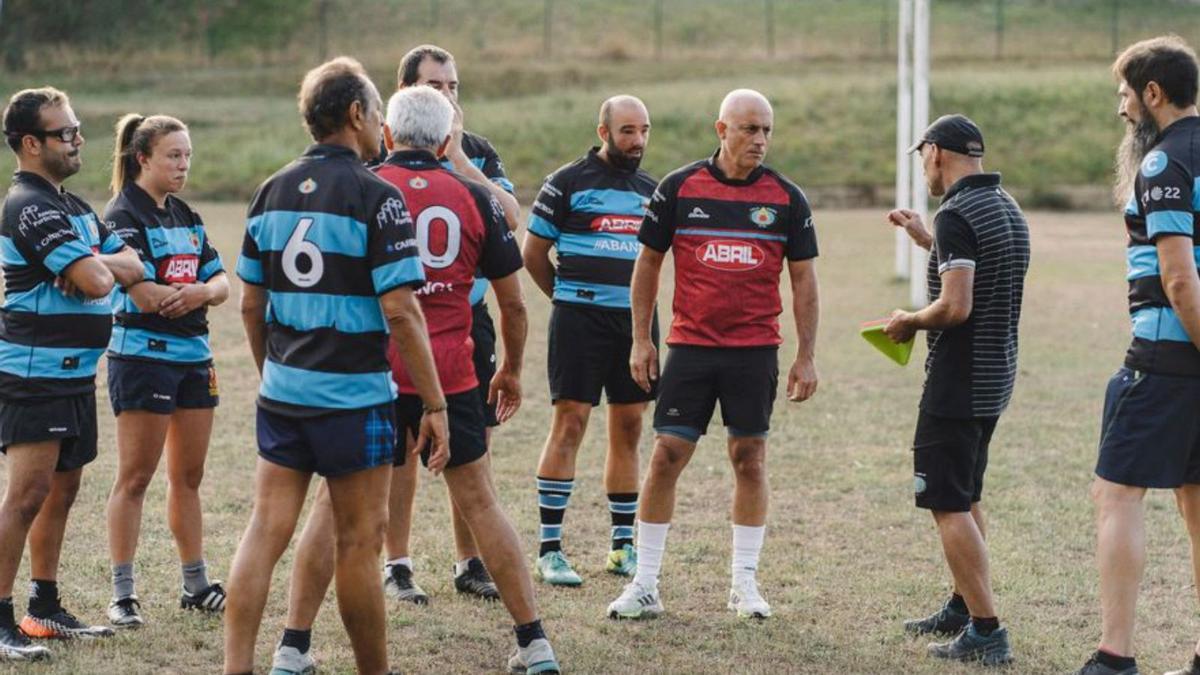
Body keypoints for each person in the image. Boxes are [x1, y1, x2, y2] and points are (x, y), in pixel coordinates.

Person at [268, 84, 559, 675]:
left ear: (391, 135)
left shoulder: (365, 191)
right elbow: (514, 305)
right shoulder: (474, 199)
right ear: (449, 139)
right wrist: (510, 369)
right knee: (480, 501)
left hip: (371, 374)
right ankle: (535, 643)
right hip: (449, 376)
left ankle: (293, 647)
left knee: (331, 508)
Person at [221, 57, 448, 675]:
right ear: (355, 115)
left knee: (264, 532)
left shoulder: (269, 190)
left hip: (284, 394)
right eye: (377, 115)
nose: (382, 128)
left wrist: (276, 371)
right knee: (358, 544)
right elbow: (401, 313)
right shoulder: (379, 195)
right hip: (354, 400)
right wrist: (434, 404)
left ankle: (235, 667)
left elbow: (250, 304)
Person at [605, 89, 819, 621]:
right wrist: (640, 338)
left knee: (750, 459)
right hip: (692, 348)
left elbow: (804, 282)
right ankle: (646, 583)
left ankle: (744, 585)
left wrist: (806, 354)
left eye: (767, 130)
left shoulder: (786, 198)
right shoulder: (679, 189)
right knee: (665, 457)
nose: (761, 140)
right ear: (720, 130)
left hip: (754, 352)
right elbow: (648, 265)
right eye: (749, 129)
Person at [368, 43, 522, 603]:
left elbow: (510, 217)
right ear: (407, 92)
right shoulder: (377, 156)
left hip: (464, 316)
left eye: (454, 86)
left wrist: (455, 161)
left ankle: (470, 561)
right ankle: (399, 563)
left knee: (470, 441)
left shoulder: (477, 151)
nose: (448, 96)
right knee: (400, 446)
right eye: (435, 87)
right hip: (394, 320)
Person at [0, 86, 144, 659]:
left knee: (63, 489)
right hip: (33, 375)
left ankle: (44, 607)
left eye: (78, 128)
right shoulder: (28, 206)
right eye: (65, 133)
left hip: (74, 375)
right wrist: (98, 268)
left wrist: (97, 263)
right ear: (31, 144)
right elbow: (102, 282)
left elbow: (132, 264)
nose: (78, 139)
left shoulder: (76, 207)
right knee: (27, 495)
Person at [1075, 36, 1200, 675]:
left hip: (1167, 353)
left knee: (1116, 492)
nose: (1122, 108)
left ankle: (1114, 655)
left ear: (1153, 94)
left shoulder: (1163, 164)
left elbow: (1179, 279)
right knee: (1196, 496)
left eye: (1126, 94)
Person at [884, 114, 1028, 667]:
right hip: (995, 377)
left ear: (937, 154)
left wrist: (907, 321)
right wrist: (927, 240)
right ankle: (964, 605)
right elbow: (980, 276)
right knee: (967, 496)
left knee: (947, 503)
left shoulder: (958, 212)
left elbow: (957, 306)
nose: (923, 169)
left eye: (922, 157)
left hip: (958, 382)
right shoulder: (1006, 208)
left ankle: (987, 628)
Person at [523, 95, 658, 585]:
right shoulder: (566, 182)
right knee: (570, 425)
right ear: (603, 132)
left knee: (629, 430)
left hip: (635, 327)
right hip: (578, 321)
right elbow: (532, 253)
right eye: (627, 131)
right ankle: (550, 549)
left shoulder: (652, 190)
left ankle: (622, 547)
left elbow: (663, 260)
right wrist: (565, 297)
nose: (637, 140)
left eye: (643, 130)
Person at [102, 113, 230, 629]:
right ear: (143, 159)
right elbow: (144, 294)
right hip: (143, 359)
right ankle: (123, 593)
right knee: (135, 478)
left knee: (189, 477)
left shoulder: (186, 215)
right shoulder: (122, 215)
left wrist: (200, 292)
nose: (183, 165)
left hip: (194, 359)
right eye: (173, 156)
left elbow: (221, 281)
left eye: (188, 156)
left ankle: (195, 584)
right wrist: (186, 293)